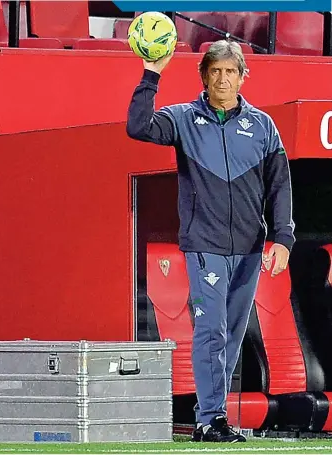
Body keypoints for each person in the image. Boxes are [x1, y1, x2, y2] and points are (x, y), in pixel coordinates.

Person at [126, 40, 295, 443]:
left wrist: (283, 238)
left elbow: (280, 186)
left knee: (233, 333)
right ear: (203, 76)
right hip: (204, 245)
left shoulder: (263, 126)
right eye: (214, 71)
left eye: (230, 72)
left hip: (251, 248)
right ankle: (209, 420)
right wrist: (152, 73)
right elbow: (137, 126)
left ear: (242, 77)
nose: (222, 79)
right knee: (211, 330)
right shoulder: (183, 119)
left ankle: (213, 418)